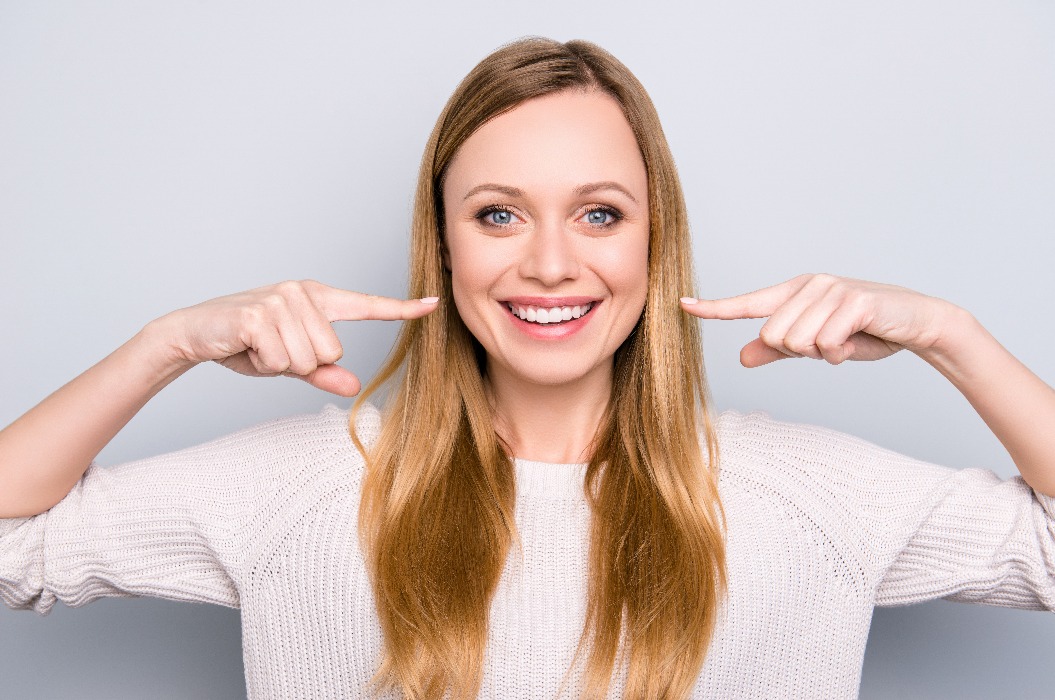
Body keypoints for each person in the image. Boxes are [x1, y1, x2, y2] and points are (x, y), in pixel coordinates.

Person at [2, 37, 1054, 700]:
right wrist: (167, 345)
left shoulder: (808, 496)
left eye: (598, 213)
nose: (549, 261)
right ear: (445, 246)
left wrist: (948, 334)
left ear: (654, 243)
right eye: (497, 214)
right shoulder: (303, 487)